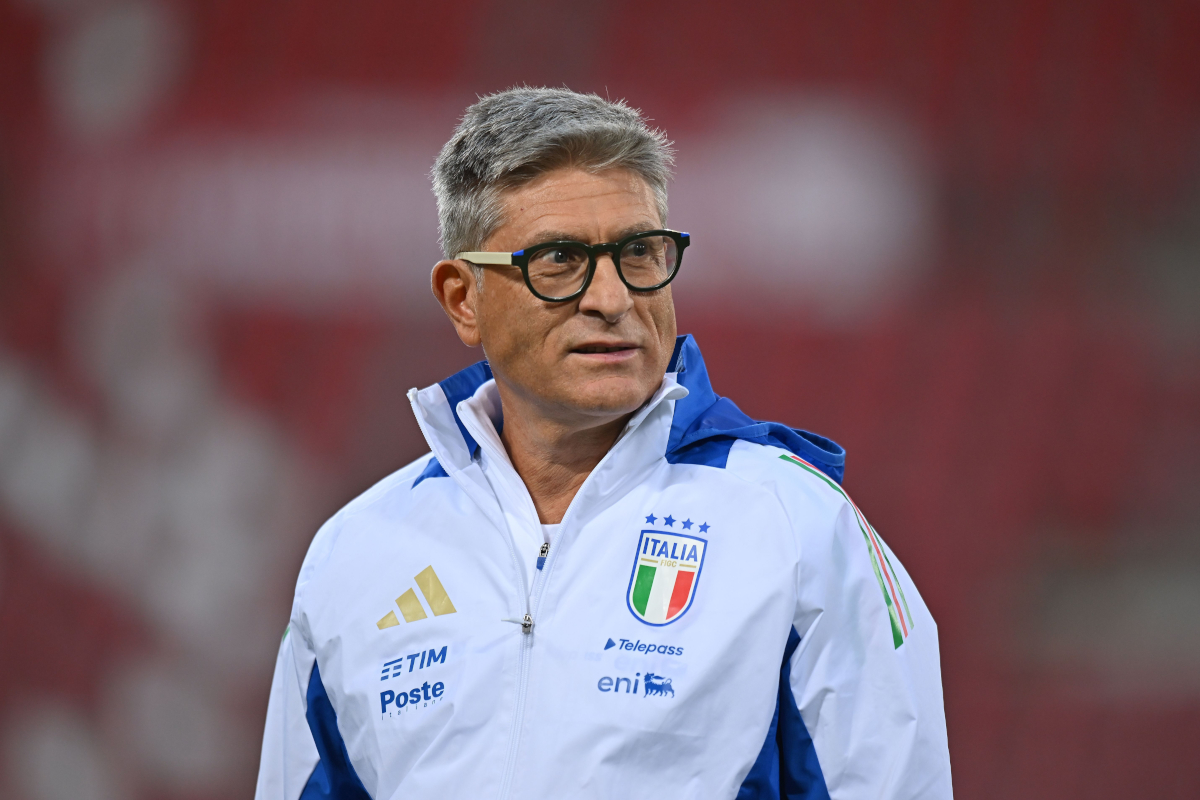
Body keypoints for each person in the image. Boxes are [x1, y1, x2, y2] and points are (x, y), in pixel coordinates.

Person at [255, 87, 952, 800]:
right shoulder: (356, 552)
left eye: (641, 253)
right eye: (560, 260)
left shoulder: (797, 525)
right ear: (464, 299)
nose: (613, 299)